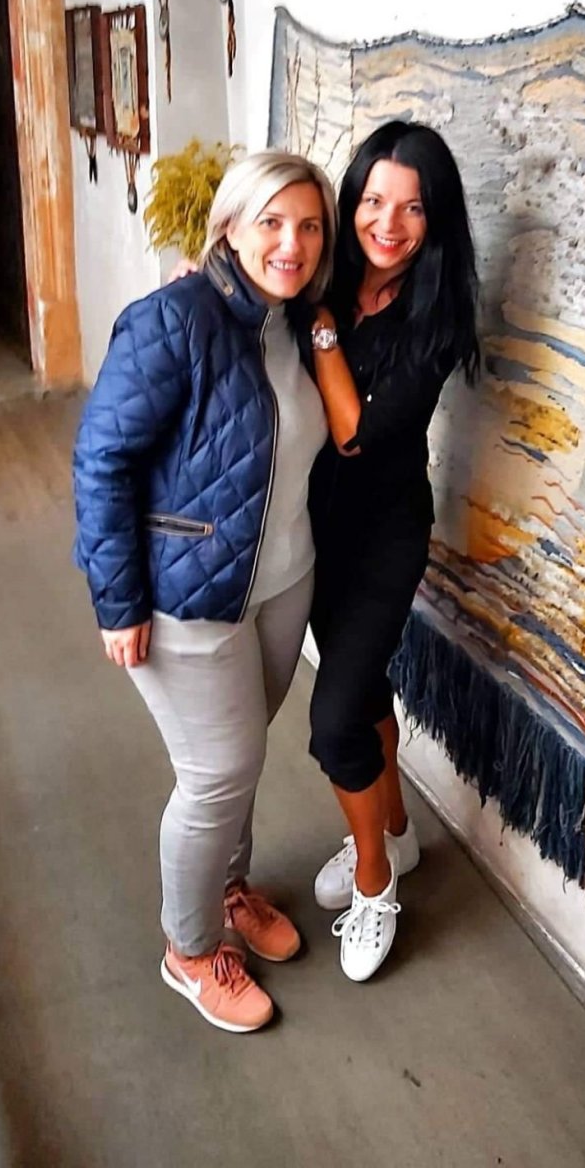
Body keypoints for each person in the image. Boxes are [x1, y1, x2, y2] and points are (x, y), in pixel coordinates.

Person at [72, 151, 337, 1034]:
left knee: (241, 756)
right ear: (230, 225)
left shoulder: (295, 321)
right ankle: (188, 951)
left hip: (281, 583)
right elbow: (102, 460)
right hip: (186, 595)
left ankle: (228, 889)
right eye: (272, 222)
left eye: (309, 226)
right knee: (217, 772)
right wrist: (118, 601)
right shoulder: (173, 318)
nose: (291, 243)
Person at [305, 121, 480, 982]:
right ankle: (399, 833)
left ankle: (376, 883)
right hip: (311, 530)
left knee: (334, 718)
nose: (388, 223)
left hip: (384, 538)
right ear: (353, 200)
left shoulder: (436, 316)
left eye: (411, 208)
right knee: (366, 683)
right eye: (374, 200)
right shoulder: (326, 276)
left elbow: (359, 435)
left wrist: (323, 334)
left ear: (434, 219)